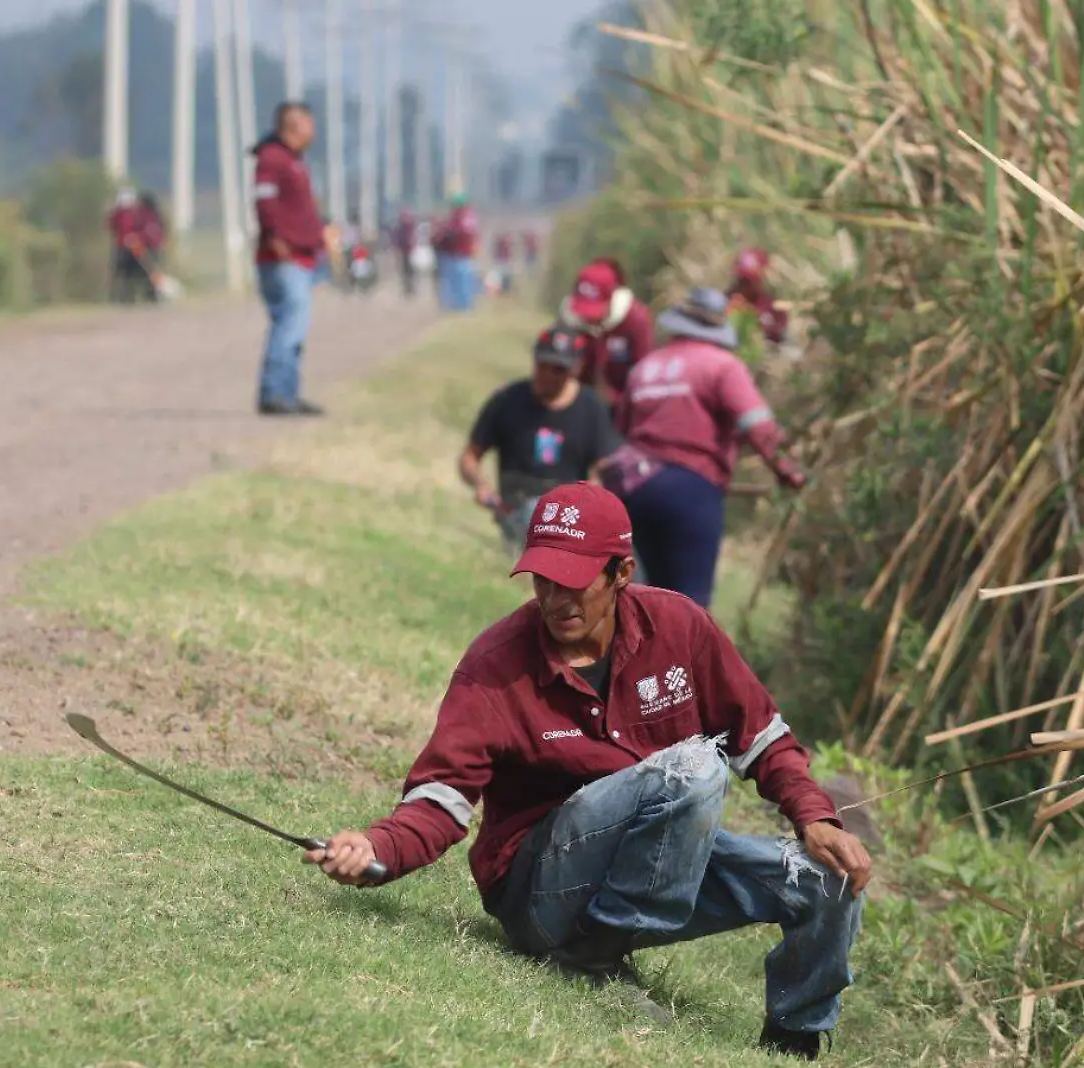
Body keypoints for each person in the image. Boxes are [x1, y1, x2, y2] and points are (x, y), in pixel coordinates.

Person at [305, 481, 870, 1061]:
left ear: (620, 573)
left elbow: (762, 738)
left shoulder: (679, 627)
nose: (555, 599)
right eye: (542, 579)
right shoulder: (495, 665)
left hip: (648, 869)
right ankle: (593, 956)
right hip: (540, 896)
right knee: (696, 767)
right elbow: (441, 796)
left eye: (573, 581)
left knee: (830, 876)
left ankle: (793, 1039)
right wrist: (374, 848)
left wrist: (815, 816)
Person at [605, 287, 807, 608]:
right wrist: (788, 470)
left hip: (636, 489)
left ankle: (647, 655)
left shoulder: (646, 367)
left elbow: (620, 434)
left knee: (652, 595)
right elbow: (757, 424)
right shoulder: (722, 366)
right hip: (691, 488)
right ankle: (683, 657)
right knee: (690, 603)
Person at [461, 326, 621, 550]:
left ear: (575, 369)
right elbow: (470, 456)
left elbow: (604, 466)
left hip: (568, 515)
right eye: (542, 365)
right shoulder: (507, 400)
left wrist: (593, 497)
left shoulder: (591, 408)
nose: (547, 374)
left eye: (557, 369)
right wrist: (481, 484)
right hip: (517, 508)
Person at [252, 102, 327, 417]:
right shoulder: (272, 159)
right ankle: (274, 393)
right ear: (293, 125)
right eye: (309, 124)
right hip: (283, 257)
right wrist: (276, 238)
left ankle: (289, 392)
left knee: (294, 327)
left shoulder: (293, 161)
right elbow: (265, 201)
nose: (313, 130)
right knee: (289, 324)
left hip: (302, 256)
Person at [557, 257, 654, 403]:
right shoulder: (570, 320)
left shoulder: (635, 320)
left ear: (612, 298)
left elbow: (645, 374)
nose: (589, 320)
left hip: (624, 404)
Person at [728, 247, 786, 346]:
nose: (742, 285)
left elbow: (782, 339)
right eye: (740, 279)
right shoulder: (723, 302)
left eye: (748, 281)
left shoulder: (772, 308)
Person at [433, 194, 480, 311]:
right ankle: (456, 305)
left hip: (462, 256)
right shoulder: (454, 219)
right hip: (452, 255)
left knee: (463, 283)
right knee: (453, 283)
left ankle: (464, 306)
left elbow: (463, 234)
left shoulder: (466, 219)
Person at [107, 187, 153, 303]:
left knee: (140, 271)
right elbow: (112, 226)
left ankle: (145, 295)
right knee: (122, 273)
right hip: (122, 246)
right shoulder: (120, 214)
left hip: (134, 246)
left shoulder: (134, 214)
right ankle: (122, 297)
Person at [393, 209, 420, 298]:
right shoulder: (401, 228)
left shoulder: (411, 228)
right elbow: (398, 240)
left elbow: (414, 239)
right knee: (405, 273)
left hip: (411, 252)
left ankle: (411, 289)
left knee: (411, 272)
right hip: (404, 252)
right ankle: (407, 290)